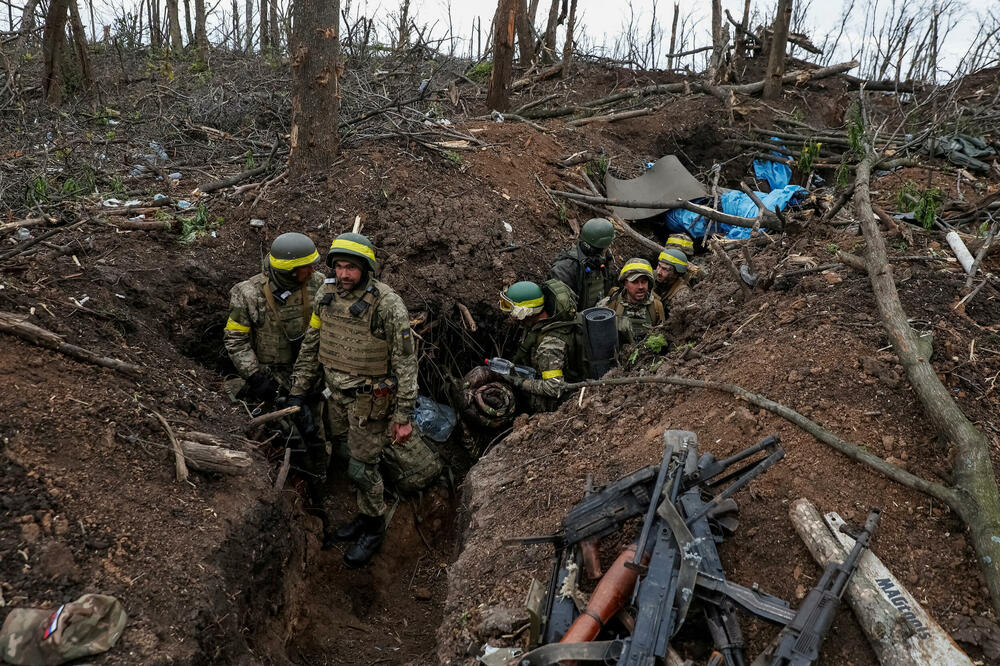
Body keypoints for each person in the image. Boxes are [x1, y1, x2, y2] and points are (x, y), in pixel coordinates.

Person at [289, 232, 418, 567]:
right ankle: (364, 517)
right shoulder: (325, 294)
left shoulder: (387, 305)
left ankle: (374, 527)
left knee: (362, 469)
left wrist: (403, 416)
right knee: (347, 456)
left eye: (351, 268)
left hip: (368, 403)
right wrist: (299, 391)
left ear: (366, 268)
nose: (344, 274)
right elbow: (313, 344)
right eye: (340, 267)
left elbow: (405, 362)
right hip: (335, 397)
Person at [224, 232, 329, 497]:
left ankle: (320, 478)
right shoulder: (248, 294)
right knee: (286, 437)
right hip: (273, 381)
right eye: (306, 266)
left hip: (311, 376)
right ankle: (294, 486)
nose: (312, 270)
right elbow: (235, 340)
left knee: (315, 431)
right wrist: (255, 376)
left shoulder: (319, 285)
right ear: (289, 271)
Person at [498, 280, 584, 412]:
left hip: (556, 406)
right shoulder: (544, 321)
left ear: (524, 312)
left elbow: (554, 387)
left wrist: (518, 381)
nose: (511, 315)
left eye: (511, 308)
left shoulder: (549, 346)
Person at [549, 217, 616, 310]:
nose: (608, 248)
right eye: (607, 246)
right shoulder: (566, 268)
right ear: (600, 247)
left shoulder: (602, 259)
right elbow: (562, 311)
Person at [598, 258, 664, 344]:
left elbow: (662, 338)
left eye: (644, 281)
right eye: (635, 282)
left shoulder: (656, 307)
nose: (640, 287)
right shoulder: (610, 305)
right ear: (625, 283)